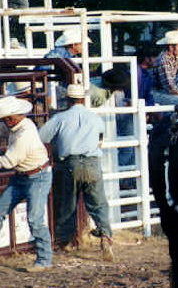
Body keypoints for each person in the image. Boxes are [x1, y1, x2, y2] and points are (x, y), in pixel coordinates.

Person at [38, 84, 114, 262]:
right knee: (98, 203)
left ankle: (66, 242)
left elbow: (42, 136)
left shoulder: (60, 118)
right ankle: (106, 237)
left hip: (70, 163)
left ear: (68, 99)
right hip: (92, 162)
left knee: (68, 203)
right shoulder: (95, 119)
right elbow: (100, 141)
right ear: (83, 99)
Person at [0, 96, 53, 272]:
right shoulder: (23, 126)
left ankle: (45, 259)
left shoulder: (24, 134)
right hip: (26, 174)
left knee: (34, 219)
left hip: (36, 176)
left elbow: (8, 162)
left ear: (10, 118)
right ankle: (44, 258)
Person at [152, 30, 178, 105]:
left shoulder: (175, 56)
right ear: (171, 47)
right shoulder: (164, 60)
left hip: (166, 90)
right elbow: (170, 87)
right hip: (158, 92)